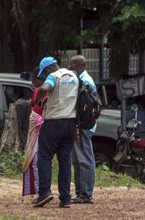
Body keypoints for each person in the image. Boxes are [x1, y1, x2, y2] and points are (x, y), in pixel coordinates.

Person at [33, 57, 79, 208]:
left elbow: (45, 88)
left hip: (53, 122)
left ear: (47, 69)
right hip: (71, 122)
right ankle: (65, 198)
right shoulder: (74, 76)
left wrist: (39, 99)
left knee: (44, 157)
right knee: (65, 160)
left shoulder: (54, 76)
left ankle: (44, 192)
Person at [69, 55, 96, 204]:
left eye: (71, 65)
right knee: (78, 159)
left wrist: (79, 126)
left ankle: (85, 194)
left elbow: (84, 108)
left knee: (84, 159)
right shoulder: (84, 80)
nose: (69, 68)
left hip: (83, 126)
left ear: (77, 66)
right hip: (82, 125)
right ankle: (81, 192)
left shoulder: (84, 82)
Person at [22, 67, 46, 197]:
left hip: (39, 128)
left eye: (33, 79)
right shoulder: (40, 90)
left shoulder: (41, 90)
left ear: (39, 78)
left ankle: (40, 190)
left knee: (36, 159)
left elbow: (39, 107)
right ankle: (39, 189)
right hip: (37, 127)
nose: (31, 82)